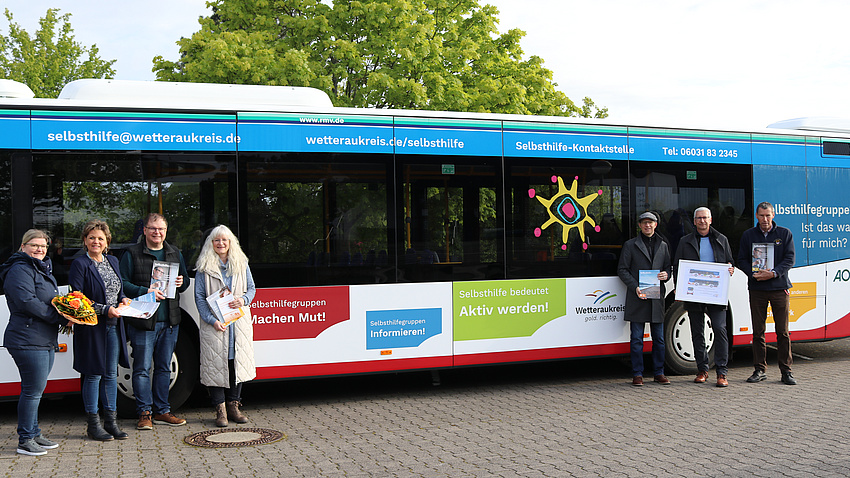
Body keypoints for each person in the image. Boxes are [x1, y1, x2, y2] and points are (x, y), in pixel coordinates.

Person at [119, 213, 190, 429]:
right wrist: (144, 290)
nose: (157, 232)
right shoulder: (131, 253)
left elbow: (185, 282)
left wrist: (180, 281)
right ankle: (144, 414)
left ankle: (163, 411)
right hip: (143, 321)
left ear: (165, 231)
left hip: (169, 321)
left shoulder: (174, 253)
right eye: (152, 228)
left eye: (161, 229)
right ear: (145, 230)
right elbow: (122, 284)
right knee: (141, 368)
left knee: (163, 368)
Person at [0, 230, 67, 456]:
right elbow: (28, 302)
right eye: (34, 245)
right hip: (26, 338)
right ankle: (25, 440)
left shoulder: (40, 267)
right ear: (23, 246)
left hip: (41, 337)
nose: (39, 249)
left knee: (36, 389)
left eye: (43, 246)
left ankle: (34, 432)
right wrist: (60, 317)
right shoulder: (20, 269)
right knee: (31, 391)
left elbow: (51, 299)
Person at [69, 220, 132, 441]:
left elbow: (118, 289)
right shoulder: (80, 264)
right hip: (92, 328)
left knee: (110, 374)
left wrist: (124, 299)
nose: (96, 241)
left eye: (100, 238)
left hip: (113, 327)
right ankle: (93, 425)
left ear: (107, 243)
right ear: (85, 241)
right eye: (92, 237)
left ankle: (111, 423)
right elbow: (76, 299)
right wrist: (106, 310)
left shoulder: (113, 260)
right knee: (93, 374)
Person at [194, 225, 256, 427]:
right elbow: (199, 298)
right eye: (216, 240)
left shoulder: (241, 263)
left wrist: (243, 300)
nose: (221, 244)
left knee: (235, 363)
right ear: (211, 244)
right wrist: (211, 320)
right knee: (216, 366)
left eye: (224, 240)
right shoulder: (204, 267)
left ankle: (234, 407)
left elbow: (252, 289)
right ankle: (220, 411)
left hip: (237, 324)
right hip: (215, 324)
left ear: (231, 243)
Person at [673, 207, 735, 387]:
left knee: (719, 329)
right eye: (698, 218)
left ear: (711, 219)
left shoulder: (721, 239)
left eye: (705, 218)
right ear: (694, 221)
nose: (702, 221)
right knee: (697, 332)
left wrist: (731, 268)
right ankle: (702, 370)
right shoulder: (685, 241)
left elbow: (730, 261)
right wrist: (679, 288)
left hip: (715, 294)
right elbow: (678, 267)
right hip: (694, 294)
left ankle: (722, 372)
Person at [737, 201, 797, 385]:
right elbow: (741, 259)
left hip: (779, 288)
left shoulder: (784, 234)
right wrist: (754, 274)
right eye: (761, 215)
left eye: (768, 215)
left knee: (783, 332)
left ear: (773, 215)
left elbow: (790, 258)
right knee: (758, 331)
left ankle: (786, 371)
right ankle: (759, 369)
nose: (765, 219)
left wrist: (773, 273)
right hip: (757, 289)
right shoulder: (748, 235)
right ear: (756, 215)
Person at [617, 212, 672, 386]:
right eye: (644, 223)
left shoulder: (663, 245)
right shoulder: (630, 245)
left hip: (656, 298)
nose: (648, 225)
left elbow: (668, 269)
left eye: (651, 222)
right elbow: (622, 270)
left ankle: (659, 373)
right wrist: (635, 287)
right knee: (637, 339)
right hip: (638, 296)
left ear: (656, 225)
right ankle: (637, 374)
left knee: (659, 339)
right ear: (639, 226)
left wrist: (666, 275)